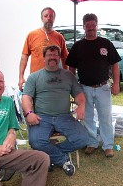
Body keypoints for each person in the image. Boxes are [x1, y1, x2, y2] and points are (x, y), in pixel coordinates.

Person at [22, 45, 88, 176]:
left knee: (83, 138)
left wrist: (81, 106)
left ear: (59, 57)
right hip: (42, 118)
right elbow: (26, 97)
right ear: (44, 57)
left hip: (64, 117)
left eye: (55, 55)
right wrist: (29, 113)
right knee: (35, 141)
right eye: (49, 55)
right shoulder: (34, 77)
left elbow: (79, 95)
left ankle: (49, 157)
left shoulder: (68, 75)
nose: (52, 58)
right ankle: (63, 160)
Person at [65, 13, 121, 158]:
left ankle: (108, 145)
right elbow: (71, 69)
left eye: (93, 25)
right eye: (87, 26)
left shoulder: (106, 43)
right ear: (83, 27)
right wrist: (73, 87)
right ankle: (92, 143)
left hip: (103, 87)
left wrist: (116, 83)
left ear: (97, 26)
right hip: (85, 88)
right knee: (88, 117)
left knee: (105, 117)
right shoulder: (78, 46)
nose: (90, 28)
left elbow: (115, 64)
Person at [18, 7, 68, 91]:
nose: (49, 18)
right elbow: (24, 57)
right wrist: (21, 77)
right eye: (46, 16)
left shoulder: (59, 37)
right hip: (36, 80)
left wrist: (66, 76)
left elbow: (64, 59)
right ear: (42, 18)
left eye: (51, 16)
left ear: (54, 18)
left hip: (55, 80)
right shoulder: (32, 35)